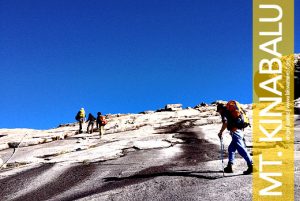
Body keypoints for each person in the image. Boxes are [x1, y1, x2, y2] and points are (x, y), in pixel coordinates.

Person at [217, 102, 253, 175]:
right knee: (231, 148)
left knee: (241, 149)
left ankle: (251, 165)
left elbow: (225, 123)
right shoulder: (229, 111)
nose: (219, 112)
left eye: (219, 111)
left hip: (235, 131)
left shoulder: (224, 112)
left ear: (220, 109)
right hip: (238, 131)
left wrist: (220, 132)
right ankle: (230, 166)